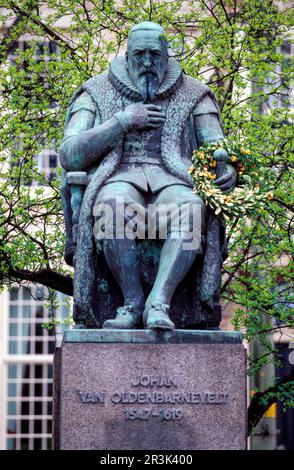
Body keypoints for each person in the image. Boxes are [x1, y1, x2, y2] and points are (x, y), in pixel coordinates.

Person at [60, 21, 236, 330]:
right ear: (127, 56)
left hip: (173, 180)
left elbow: (218, 147)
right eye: (139, 54)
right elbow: (70, 153)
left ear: (167, 56)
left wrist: (229, 167)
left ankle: (159, 303)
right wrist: (122, 122)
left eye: (155, 54)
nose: (146, 62)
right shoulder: (97, 91)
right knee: (113, 204)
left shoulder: (194, 94)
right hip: (119, 177)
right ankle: (132, 303)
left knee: (191, 206)